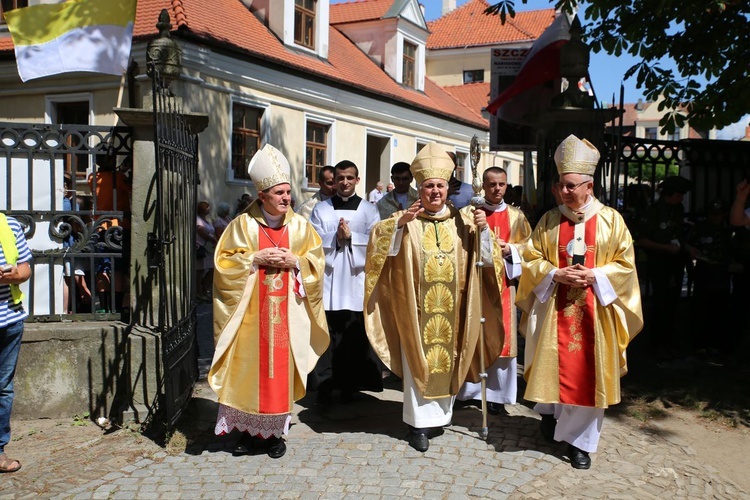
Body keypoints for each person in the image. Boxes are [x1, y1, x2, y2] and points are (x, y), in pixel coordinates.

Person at [364, 142, 503, 452]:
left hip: (453, 310)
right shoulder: (406, 219)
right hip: (416, 311)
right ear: (420, 188)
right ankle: (417, 426)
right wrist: (398, 226)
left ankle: (440, 417)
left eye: (440, 185)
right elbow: (378, 246)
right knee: (419, 361)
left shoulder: (464, 221)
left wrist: (483, 232)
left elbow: (486, 261)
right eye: (429, 186)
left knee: (450, 359)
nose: (435, 192)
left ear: (447, 187)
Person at [516, 134, 643, 470]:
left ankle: (580, 443)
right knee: (552, 366)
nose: (564, 191)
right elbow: (531, 260)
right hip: (554, 308)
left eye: (571, 186)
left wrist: (595, 277)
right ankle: (551, 413)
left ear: (589, 185)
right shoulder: (549, 220)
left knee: (589, 375)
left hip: (595, 313)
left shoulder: (611, 220)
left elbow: (625, 266)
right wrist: (554, 275)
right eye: (561, 185)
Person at [209, 144, 329, 459]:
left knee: (278, 375)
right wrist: (253, 258)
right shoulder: (242, 226)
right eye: (280, 193)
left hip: (287, 317)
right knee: (250, 372)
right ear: (262, 196)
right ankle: (250, 432)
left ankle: (274, 435)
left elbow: (317, 264)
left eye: (288, 192)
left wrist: (297, 262)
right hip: (250, 317)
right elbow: (223, 265)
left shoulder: (301, 227)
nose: (287, 198)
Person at [456, 167, 531, 415]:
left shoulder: (516, 217)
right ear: (483, 186)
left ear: (506, 186)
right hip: (474, 282)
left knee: (503, 337)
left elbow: (529, 249)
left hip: (503, 284)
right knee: (473, 334)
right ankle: (470, 391)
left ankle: (497, 395)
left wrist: (509, 249)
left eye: (501, 184)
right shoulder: (468, 213)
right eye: (492, 184)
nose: (496, 189)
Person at [310, 160, 383, 403]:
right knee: (330, 334)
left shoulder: (369, 211)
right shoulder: (321, 209)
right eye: (340, 178)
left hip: (357, 281)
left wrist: (352, 237)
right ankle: (326, 385)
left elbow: (377, 243)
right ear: (334, 179)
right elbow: (312, 243)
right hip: (329, 281)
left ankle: (351, 385)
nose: (344, 182)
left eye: (349, 178)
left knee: (355, 334)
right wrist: (334, 237)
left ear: (357, 180)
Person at [635, 175, 690, 358]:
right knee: (660, 303)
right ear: (670, 194)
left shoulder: (678, 210)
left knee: (672, 303)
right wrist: (665, 247)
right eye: (678, 194)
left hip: (676, 262)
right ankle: (657, 344)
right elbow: (642, 239)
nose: (680, 198)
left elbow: (680, 233)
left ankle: (669, 342)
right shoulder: (654, 211)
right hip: (659, 262)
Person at [0, 212, 32, 473]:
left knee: (3, 389)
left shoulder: (7, 224)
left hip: (9, 321)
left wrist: (13, 275)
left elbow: (25, 269)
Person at [685, 199, 733, 357]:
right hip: (705, 272)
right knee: (701, 309)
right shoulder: (700, 228)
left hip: (723, 273)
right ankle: (700, 343)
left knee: (719, 310)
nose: (716, 217)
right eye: (713, 214)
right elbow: (688, 245)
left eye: (719, 214)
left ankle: (715, 343)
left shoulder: (730, 229)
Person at [196, 201, 217, 302]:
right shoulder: (198, 219)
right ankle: (199, 292)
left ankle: (205, 289)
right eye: (208, 207)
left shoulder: (206, 219)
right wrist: (212, 239)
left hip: (209, 248)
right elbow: (201, 232)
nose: (209, 209)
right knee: (200, 270)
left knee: (212, 269)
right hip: (201, 246)